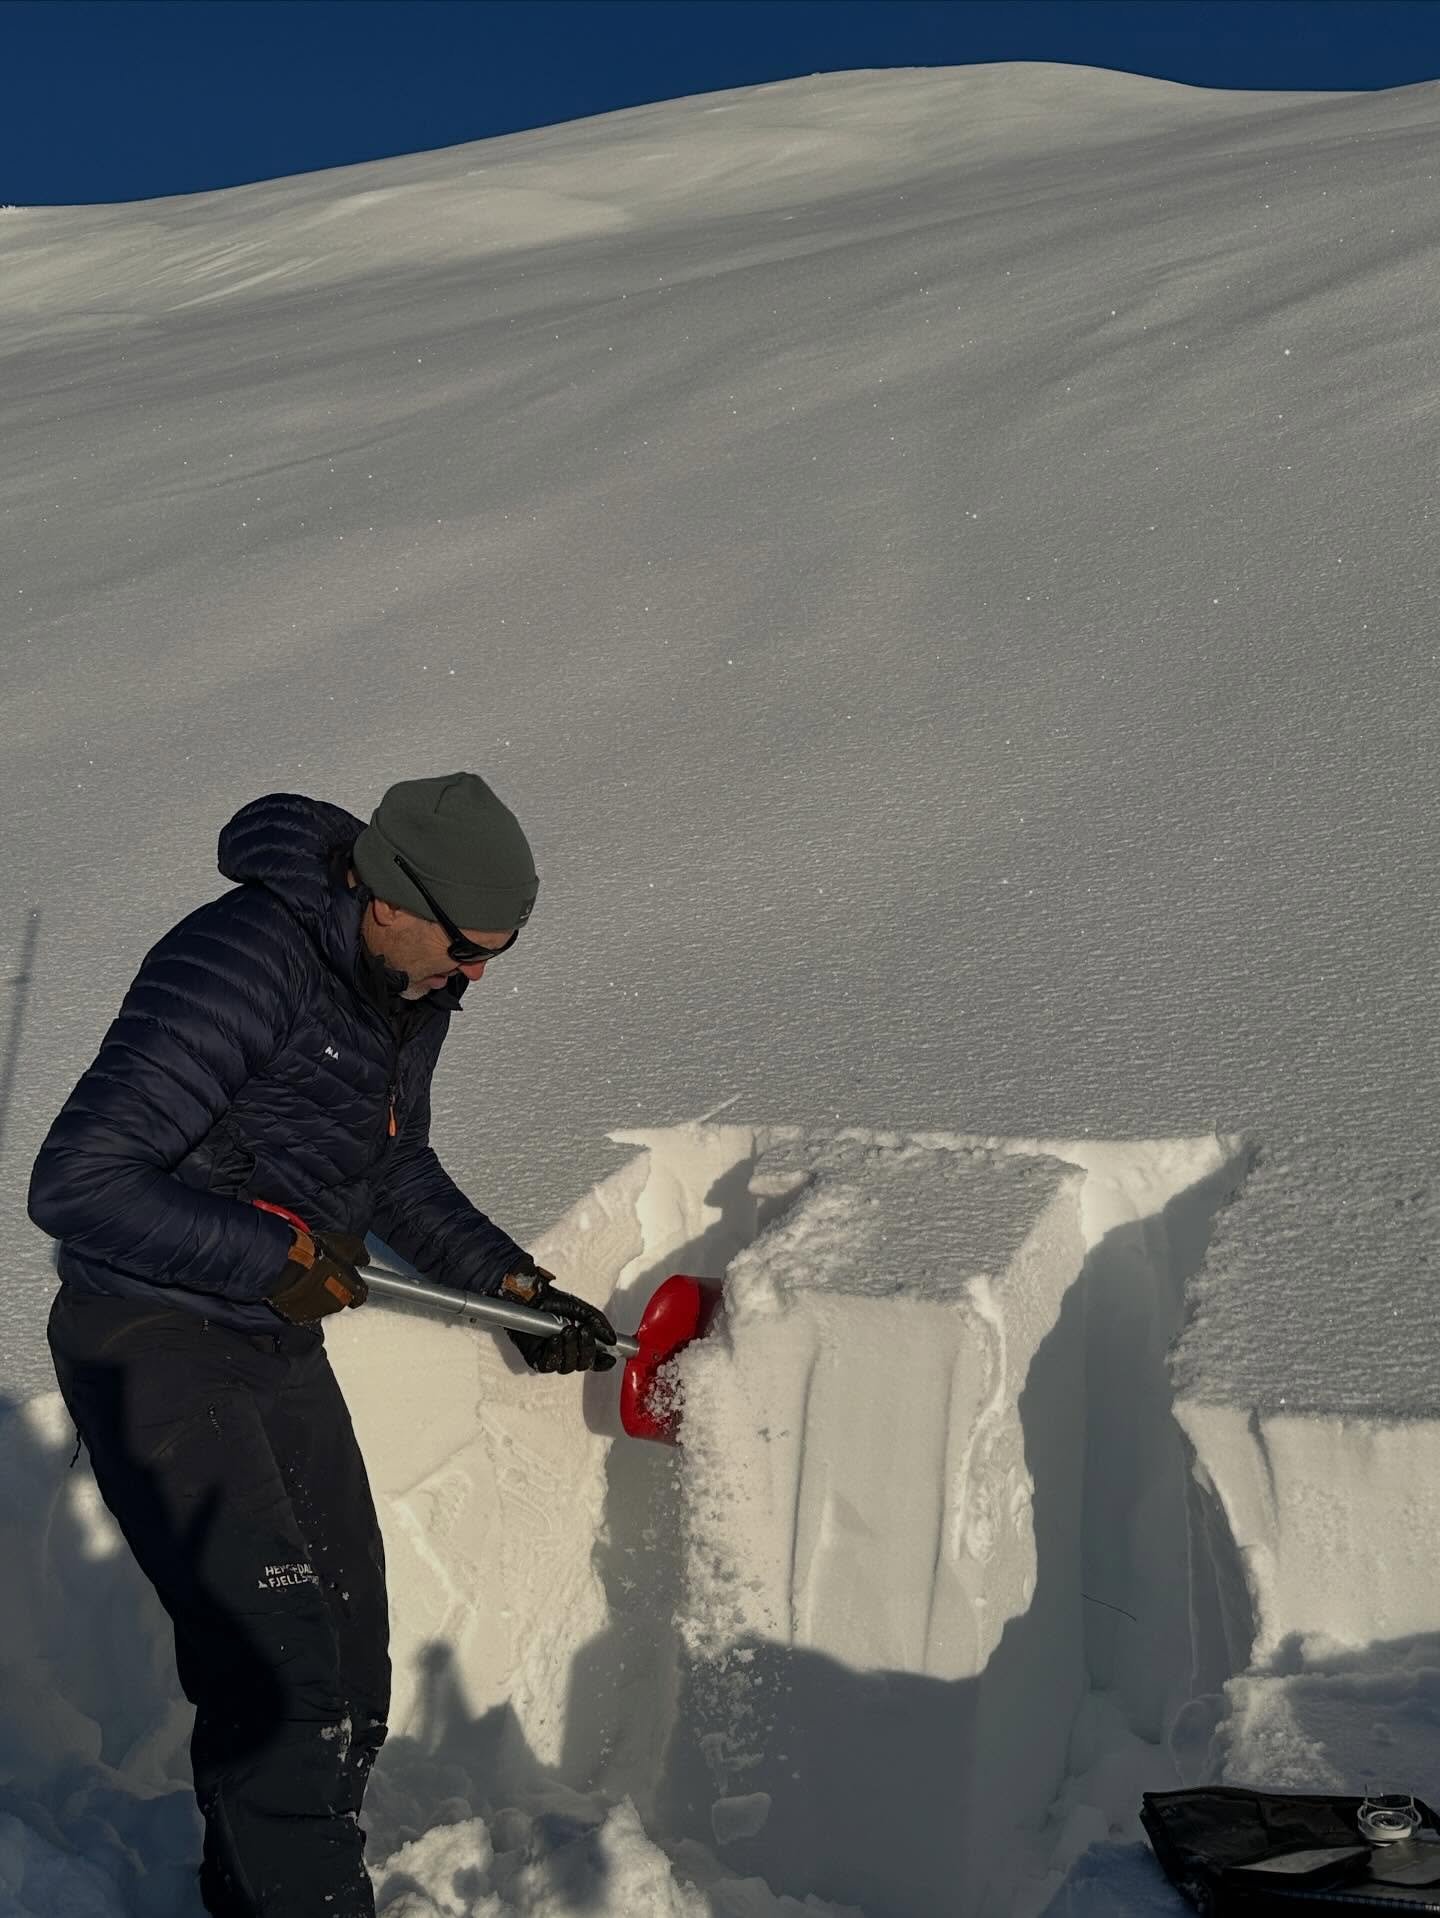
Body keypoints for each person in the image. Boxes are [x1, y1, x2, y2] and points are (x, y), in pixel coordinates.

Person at [27, 773, 617, 1918]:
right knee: (280, 1667)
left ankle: (263, 1892)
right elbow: (77, 1183)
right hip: (149, 1331)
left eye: (502, 951)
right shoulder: (240, 963)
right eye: (470, 946)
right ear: (392, 900)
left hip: (268, 1339)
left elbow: (390, 1164)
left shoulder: (404, 987)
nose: (479, 975)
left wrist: (510, 1281)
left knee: (350, 1663)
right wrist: (274, 1255)